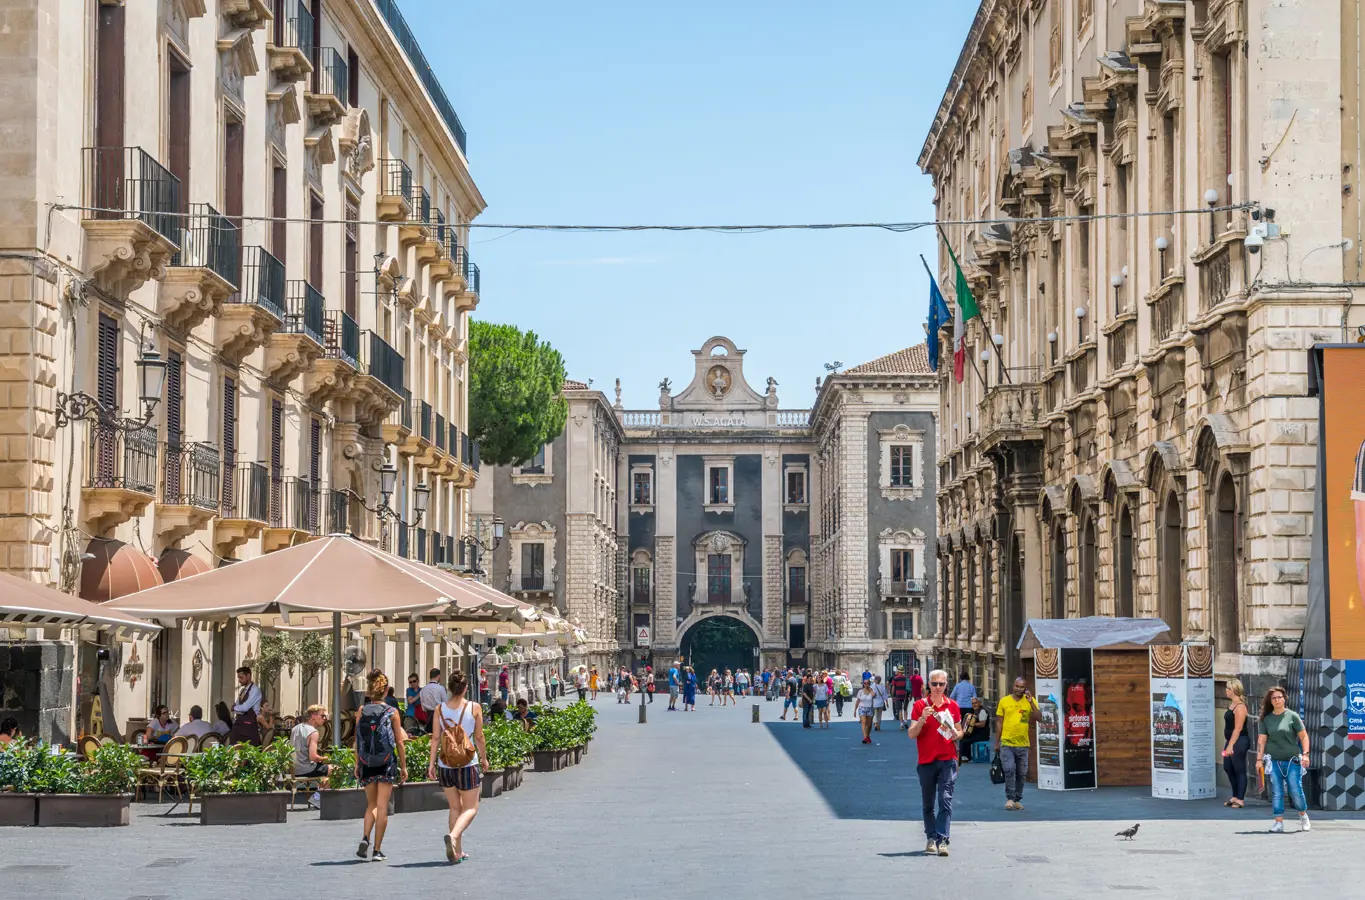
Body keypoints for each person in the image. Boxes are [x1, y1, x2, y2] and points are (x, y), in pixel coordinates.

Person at [428, 671, 487, 865]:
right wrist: (484, 758)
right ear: (466, 688)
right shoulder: (474, 707)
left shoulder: (439, 709)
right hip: (468, 763)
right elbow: (479, 737)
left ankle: (457, 851)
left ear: (449, 688)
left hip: (446, 763)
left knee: (455, 807)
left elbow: (435, 738)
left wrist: (431, 764)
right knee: (471, 808)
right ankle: (453, 837)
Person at [908, 669, 964, 857]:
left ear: (946, 685)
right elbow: (911, 734)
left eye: (941, 684)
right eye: (934, 684)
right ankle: (931, 837)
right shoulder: (919, 706)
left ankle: (943, 839)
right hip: (926, 761)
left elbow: (959, 730)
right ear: (928, 685)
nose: (938, 687)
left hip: (947, 759)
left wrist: (957, 734)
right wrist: (923, 718)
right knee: (928, 803)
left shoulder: (953, 706)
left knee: (945, 799)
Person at [355, 670, 407, 862]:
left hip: (366, 762)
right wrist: (403, 766)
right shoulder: (392, 712)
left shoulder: (361, 710)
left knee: (371, 804)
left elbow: (357, 739)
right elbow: (399, 742)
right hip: (386, 762)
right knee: (382, 806)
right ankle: (377, 850)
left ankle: (365, 837)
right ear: (386, 690)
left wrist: (357, 763)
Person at [1256, 685, 1311, 833]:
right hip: (1274, 761)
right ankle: (1278, 822)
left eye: (1279, 697)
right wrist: (1259, 760)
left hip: (1293, 760)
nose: (1277, 700)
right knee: (1277, 792)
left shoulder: (1292, 716)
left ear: (1284, 699)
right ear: (1270, 701)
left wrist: (1305, 754)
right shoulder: (1266, 719)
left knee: (1296, 790)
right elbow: (1261, 741)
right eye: (1274, 698)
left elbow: (1304, 736)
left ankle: (1303, 814)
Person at [993, 677, 1040, 810]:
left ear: (1025, 688)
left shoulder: (1030, 701)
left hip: (1023, 744)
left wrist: (1031, 702)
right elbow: (999, 722)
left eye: (1022, 687)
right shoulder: (1004, 701)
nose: (1019, 689)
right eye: (1017, 686)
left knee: (1021, 773)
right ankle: (1010, 798)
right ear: (1013, 686)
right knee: (1009, 770)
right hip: (1007, 743)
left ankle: (1017, 799)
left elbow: (1039, 718)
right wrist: (997, 742)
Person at [291, 704, 330, 808]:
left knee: (324, 770)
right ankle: (317, 798)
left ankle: (319, 794)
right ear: (313, 716)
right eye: (322, 716)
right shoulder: (313, 732)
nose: (325, 719)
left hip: (293, 769)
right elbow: (313, 757)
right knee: (334, 769)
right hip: (306, 769)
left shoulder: (295, 728)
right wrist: (325, 758)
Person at [1222, 678, 1251, 809]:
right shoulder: (1232, 704)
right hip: (1231, 740)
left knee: (1239, 768)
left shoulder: (1240, 707)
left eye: (1228, 688)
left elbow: (1238, 728)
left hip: (1239, 741)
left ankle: (1240, 799)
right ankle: (1234, 795)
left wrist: (1230, 745)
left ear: (1233, 690)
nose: (1226, 691)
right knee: (1228, 766)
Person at [230, 666, 262, 745]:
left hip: (249, 727)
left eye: (241, 677)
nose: (239, 680)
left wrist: (234, 708)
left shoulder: (255, 690)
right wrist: (236, 707)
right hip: (239, 725)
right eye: (238, 678)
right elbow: (237, 704)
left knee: (249, 750)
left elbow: (245, 707)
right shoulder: (242, 691)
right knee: (235, 749)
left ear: (248, 676)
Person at [959, 696, 991, 762]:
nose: (974, 705)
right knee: (964, 736)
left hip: (982, 735)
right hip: (978, 733)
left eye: (976, 703)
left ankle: (965, 756)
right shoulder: (975, 711)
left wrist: (971, 724)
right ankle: (966, 756)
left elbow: (982, 724)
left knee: (965, 740)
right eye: (972, 703)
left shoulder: (982, 711)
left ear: (980, 703)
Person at [855, 677, 878, 743]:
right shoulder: (860, 692)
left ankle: (868, 736)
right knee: (864, 722)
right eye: (865, 683)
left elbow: (874, 695)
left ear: (869, 684)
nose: (866, 684)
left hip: (870, 709)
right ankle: (865, 737)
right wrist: (855, 710)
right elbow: (857, 701)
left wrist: (870, 690)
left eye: (867, 683)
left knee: (869, 724)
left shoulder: (871, 691)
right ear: (863, 684)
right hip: (862, 708)